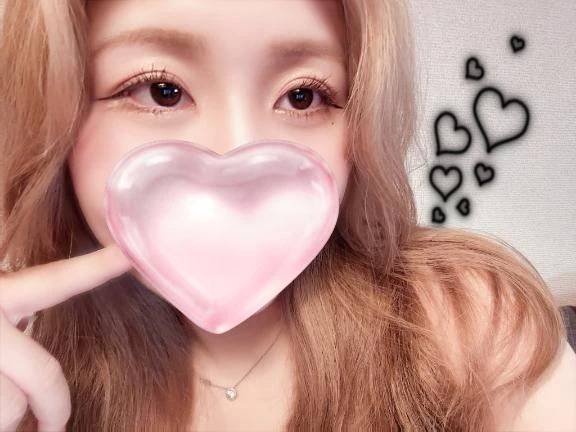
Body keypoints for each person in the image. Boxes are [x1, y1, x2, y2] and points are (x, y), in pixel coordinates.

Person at [0, 0, 574, 431]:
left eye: (304, 96)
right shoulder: (22, 351)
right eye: (160, 90)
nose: (238, 155)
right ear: (55, 113)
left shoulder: (463, 317)